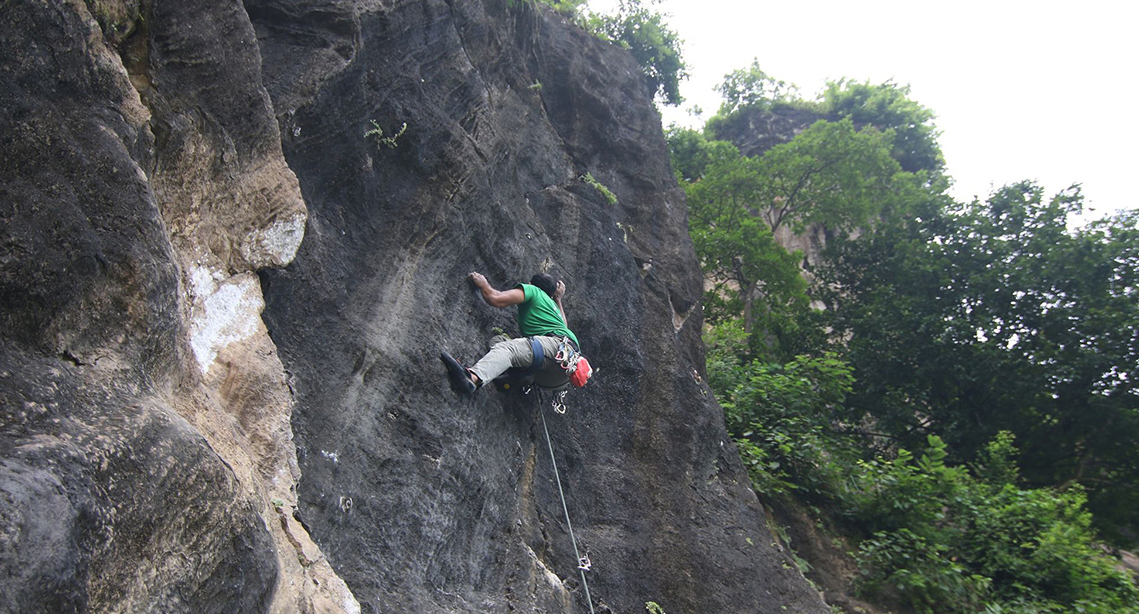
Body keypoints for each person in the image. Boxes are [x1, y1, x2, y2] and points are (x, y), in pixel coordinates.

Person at [441, 271, 586, 394]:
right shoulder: (553, 306)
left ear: (531, 283)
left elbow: (495, 298)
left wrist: (483, 283)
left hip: (554, 350)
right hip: (559, 377)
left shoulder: (533, 291)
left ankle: (472, 378)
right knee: (499, 341)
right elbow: (564, 328)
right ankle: (519, 376)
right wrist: (558, 298)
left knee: (508, 349)